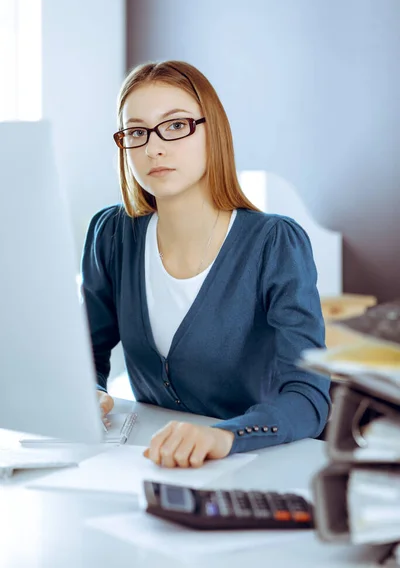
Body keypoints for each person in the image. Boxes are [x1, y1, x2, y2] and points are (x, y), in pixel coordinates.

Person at [82, 60, 330, 469]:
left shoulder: (274, 243)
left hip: (259, 463)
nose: (153, 147)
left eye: (175, 125)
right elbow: (87, 353)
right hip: (151, 462)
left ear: (211, 131)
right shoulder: (111, 234)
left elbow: (307, 396)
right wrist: (87, 395)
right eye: (137, 131)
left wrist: (223, 436)